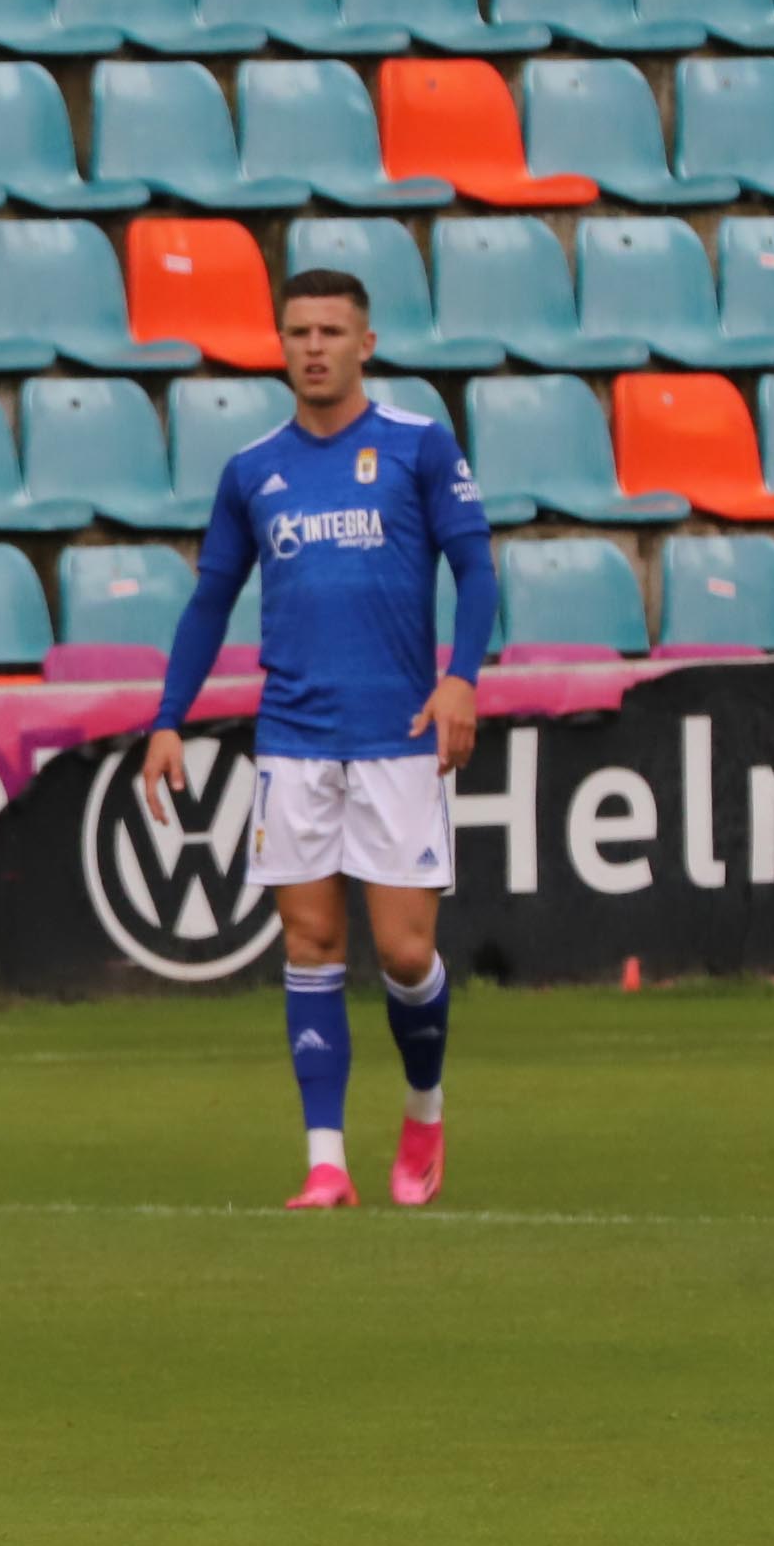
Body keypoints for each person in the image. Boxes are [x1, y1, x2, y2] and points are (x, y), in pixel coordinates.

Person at [141, 268, 495, 1211]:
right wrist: (168, 719)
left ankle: (424, 1107)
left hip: (399, 736)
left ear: (365, 344)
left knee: (407, 954)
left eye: (332, 331)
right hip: (294, 740)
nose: (314, 347)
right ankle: (326, 1160)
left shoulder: (418, 447)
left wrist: (461, 675)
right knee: (308, 940)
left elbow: (476, 567)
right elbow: (211, 599)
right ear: (282, 344)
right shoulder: (254, 469)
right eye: (298, 331)